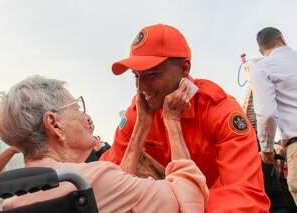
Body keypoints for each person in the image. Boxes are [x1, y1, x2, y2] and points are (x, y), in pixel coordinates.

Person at [100, 23, 270, 212]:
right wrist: (140, 128)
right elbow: (106, 181)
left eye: (152, 75)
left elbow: (244, 194)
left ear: (184, 68)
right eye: (136, 76)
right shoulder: (138, 112)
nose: (141, 87)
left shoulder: (219, 109)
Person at [0, 75, 208, 212]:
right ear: (54, 123)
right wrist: (172, 120)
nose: (85, 116)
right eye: (76, 108)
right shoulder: (88, 181)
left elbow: (121, 193)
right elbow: (188, 200)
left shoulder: (13, 199)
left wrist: (142, 123)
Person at [251, 27, 297, 204]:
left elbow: (267, 113)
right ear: (283, 40)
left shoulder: (262, 67)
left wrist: (267, 149)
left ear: (261, 51)